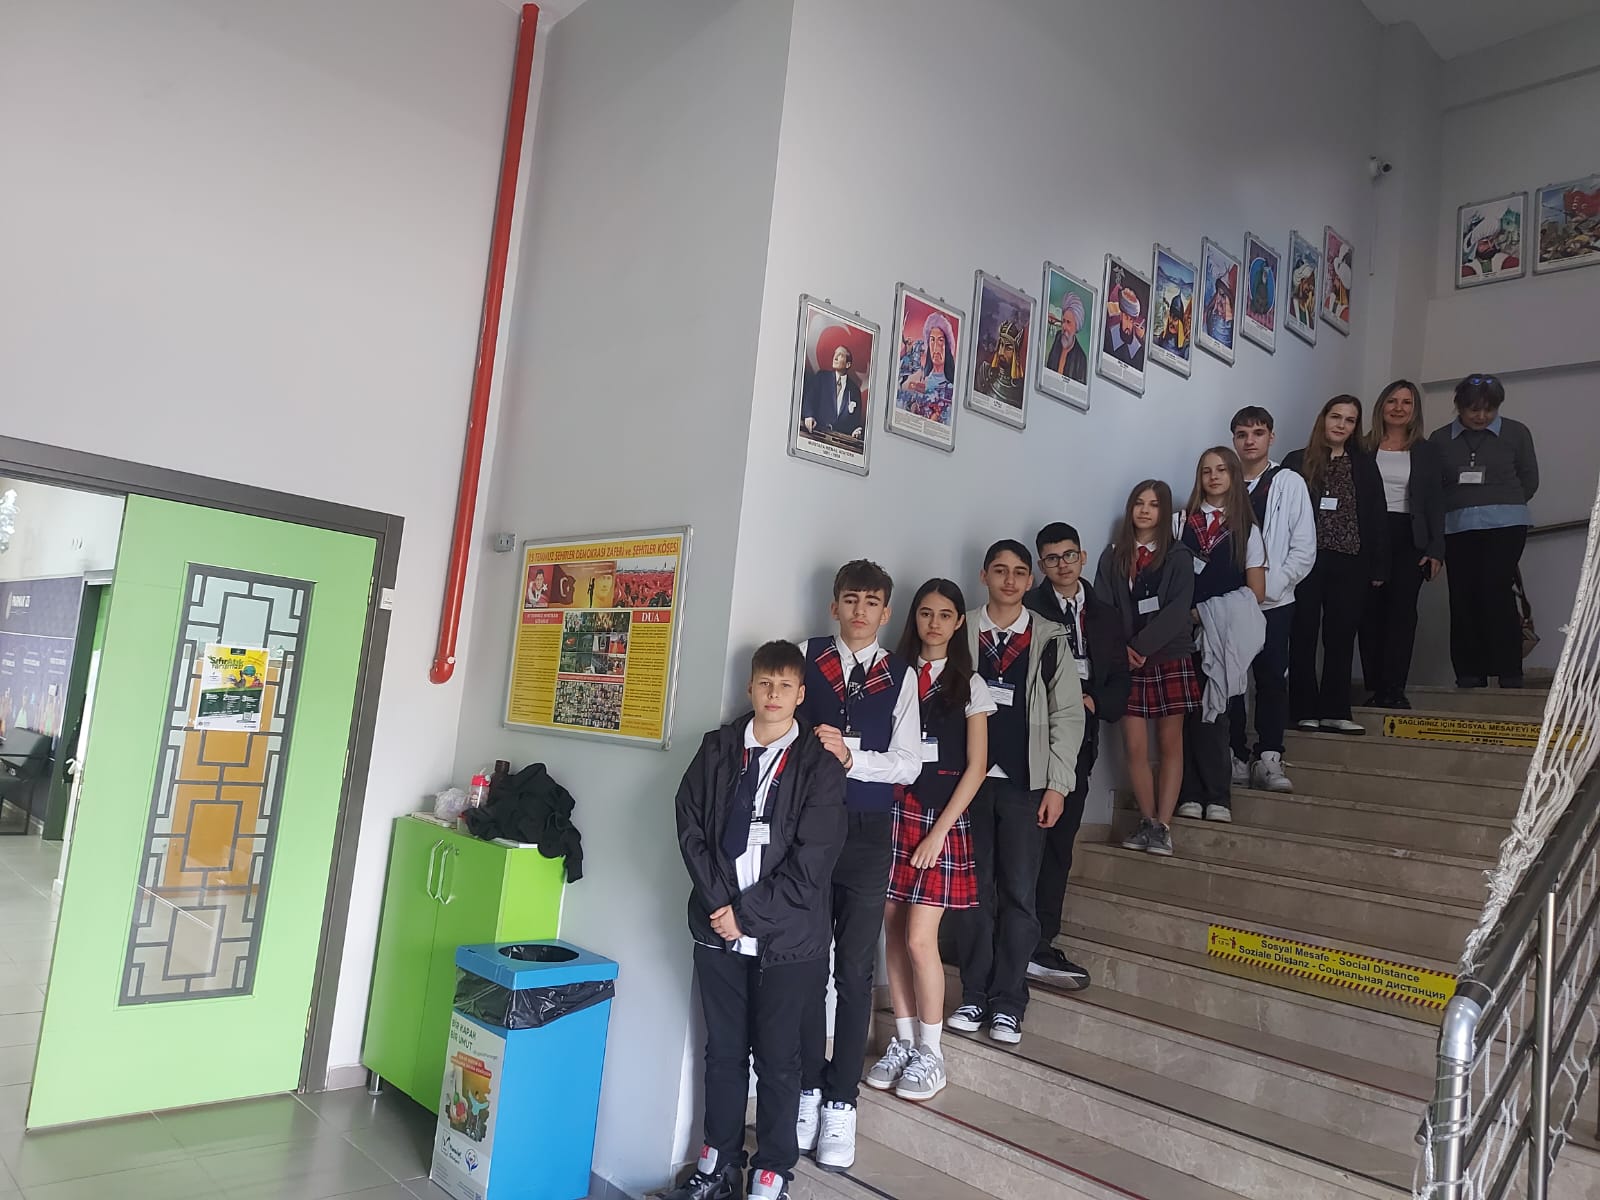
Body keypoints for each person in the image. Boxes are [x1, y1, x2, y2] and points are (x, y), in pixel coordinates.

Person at [669, 641, 847, 1200]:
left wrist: (746, 915)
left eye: (785, 686)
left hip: (788, 942)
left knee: (778, 1061)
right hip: (717, 931)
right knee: (722, 1053)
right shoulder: (718, 749)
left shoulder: (819, 765)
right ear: (750, 688)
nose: (774, 694)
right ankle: (717, 1161)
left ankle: (772, 1172)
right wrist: (722, 908)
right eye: (765, 683)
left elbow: (814, 860)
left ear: (800, 695)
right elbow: (690, 826)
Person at [795, 561, 920, 1172]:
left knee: (852, 971)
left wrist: (852, 759)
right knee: (803, 964)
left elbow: (908, 763)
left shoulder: (902, 674)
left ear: (886, 612)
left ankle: (841, 1101)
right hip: (808, 830)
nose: (861, 612)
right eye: (851, 600)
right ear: (834, 606)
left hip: (869, 832)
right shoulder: (806, 656)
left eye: (872, 602)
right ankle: (806, 1088)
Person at [947, 541, 1083, 1047]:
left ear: (1030, 581)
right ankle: (973, 994)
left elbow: (1068, 715)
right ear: (984, 575)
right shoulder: (961, 631)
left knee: (1020, 896)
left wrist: (1058, 785)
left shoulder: (1049, 638)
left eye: (1019, 572)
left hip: (1027, 785)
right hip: (969, 783)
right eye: (1000, 570)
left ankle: (1008, 1002)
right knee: (973, 892)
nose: (1009, 580)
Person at [865, 580, 994, 1104]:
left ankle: (932, 1053)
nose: (934, 623)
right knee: (893, 932)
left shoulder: (970, 684)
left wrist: (939, 834)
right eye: (925, 613)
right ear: (912, 617)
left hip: (941, 822)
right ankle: (902, 1040)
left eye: (944, 614)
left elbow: (977, 767)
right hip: (893, 813)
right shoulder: (892, 673)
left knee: (921, 939)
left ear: (959, 622)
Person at [1024, 522, 1130, 988]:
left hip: (1080, 743)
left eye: (1069, 555)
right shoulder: (1029, 608)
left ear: (1083, 557)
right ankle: (1014, 938)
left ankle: (1042, 941)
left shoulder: (1105, 614)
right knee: (1025, 845)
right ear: (1041, 566)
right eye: (1052, 558)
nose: (1063, 565)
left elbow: (1121, 682)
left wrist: (1092, 702)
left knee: (1060, 845)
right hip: (1032, 741)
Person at [1095, 482, 1197, 858]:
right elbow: (1103, 606)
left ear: (1164, 512)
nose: (1144, 510)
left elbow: (1177, 610)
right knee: (1134, 746)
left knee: (1170, 743)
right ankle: (1147, 818)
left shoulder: (1179, 556)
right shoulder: (1113, 556)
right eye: (1138, 503)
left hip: (1168, 656)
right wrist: (1120, 651)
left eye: (1153, 505)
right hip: (1126, 662)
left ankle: (1163, 826)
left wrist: (1140, 647)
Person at [1284, 396, 1389, 734]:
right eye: (1336, 416)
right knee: (1303, 635)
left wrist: (1378, 567)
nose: (1341, 424)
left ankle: (1335, 709)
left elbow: (1377, 516)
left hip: (1350, 561)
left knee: (1341, 636)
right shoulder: (1297, 461)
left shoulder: (1364, 464)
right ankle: (1303, 709)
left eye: (1349, 420)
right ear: (1323, 418)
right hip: (1305, 562)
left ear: (1356, 427)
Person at [1428, 373, 1540, 689]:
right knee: (1462, 595)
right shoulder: (1440, 439)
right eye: (1473, 410)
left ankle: (1509, 670)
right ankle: (1469, 672)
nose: (1481, 416)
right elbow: (1433, 485)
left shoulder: (1517, 432)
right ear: (1459, 407)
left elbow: (1529, 479)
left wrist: (1503, 501)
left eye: (1489, 410)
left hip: (1506, 524)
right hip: (1457, 527)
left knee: (1497, 590)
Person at [1175, 448, 1267, 824]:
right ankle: (1189, 793)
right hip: (1180, 633)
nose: (1213, 477)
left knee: (1216, 713)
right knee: (1183, 714)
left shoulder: (1248, 530)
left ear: (1233, 476)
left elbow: (1256, 591)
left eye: (1222, 470)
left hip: (1222, 634)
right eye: (1206, 471)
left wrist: (1208, 612)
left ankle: (1218, 796)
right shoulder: (1181, 523)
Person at [1229, 406, 1316, 792]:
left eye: (1258, 433)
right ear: (1234, 440)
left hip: (1274, 601)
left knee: (1271, 679)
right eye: (1242, 434)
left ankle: (1268, 756)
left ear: (1271, 437)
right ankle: (1234, 754)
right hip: (1230, 603)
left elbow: (1304, 549)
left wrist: (1270, 587)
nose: (1250, 441)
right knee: (1231, 681)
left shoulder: (1288, 483)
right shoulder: (1224, 480)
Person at [1359, 380, 1446, 709]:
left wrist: (1436, 549)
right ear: (1381, 405)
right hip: (1370, 535)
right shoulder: (1363, 447)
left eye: (1406, 402)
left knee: (1402, 613)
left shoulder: (1426, 450)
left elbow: (1436, 502)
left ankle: (1395, 688)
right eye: (1392, 401)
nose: (1398, 408)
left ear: (1415, 410)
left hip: (1409, 536)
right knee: (1369, 613)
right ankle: (1375, 687)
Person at [801, 346, 864, 440]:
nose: (835, 357)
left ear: (848, 364)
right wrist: (809, 415)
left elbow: (855, 421)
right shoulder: (822, 377)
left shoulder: (854, 390)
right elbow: (809, 399)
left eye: (840, 355)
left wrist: (855, 430)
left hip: (839, 440)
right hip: (816, 433)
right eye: (835, 353)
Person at [900, 312, 957, 404]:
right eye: (932, 340)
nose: (935, 348)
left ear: (947, 345)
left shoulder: (954, 387)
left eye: (940, 340)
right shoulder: (919, 376)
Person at [975, 320, 1025, 408]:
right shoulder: (984, 372)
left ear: (1015, 354)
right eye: (1001, 345)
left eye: (1008, 348)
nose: (1001, 352)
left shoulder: (1021, 388)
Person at [1044, 292, 1089, 384]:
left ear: (1076, 327)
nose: (1064, 326)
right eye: (1063, 321)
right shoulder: (1058, 338)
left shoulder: (1081, 358)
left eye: (1068, 322)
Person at [1103, 287, 1146, 369]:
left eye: (1131, 320)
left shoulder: (1138, 351)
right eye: (1126, 318)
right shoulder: (1108, 337)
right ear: (1121, 315)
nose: (1128, 325)